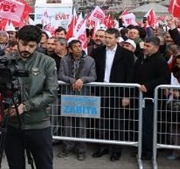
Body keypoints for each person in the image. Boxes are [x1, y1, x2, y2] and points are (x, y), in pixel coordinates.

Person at [0, 25, 58, 169]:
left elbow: (51, 93)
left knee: (44, 165)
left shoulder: (47, 62)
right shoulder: (2, 61)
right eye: (24, 44)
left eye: (32, 46)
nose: (27, 49)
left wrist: (25, 106)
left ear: (38, 44)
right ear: (17, 40)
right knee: (15, 165)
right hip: (11, 125)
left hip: (38, 124)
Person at [91, 27, 135, 162]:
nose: (106, 40)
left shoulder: (126, 54)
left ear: (117, 39)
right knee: (102, 120)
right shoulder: (97, 52)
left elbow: (130, 75)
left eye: (109, 38)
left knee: (117, 122)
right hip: (101, 89)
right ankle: (102, 147)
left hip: (118, 91)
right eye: (105, 37)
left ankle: (116, 150)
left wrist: (127, 95)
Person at [57, 39, 96, 161]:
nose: (78, 48)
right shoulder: (64, 60)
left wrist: (82, 79)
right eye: (75, 46)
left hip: (84, 95)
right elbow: (60, 75)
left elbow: (94, 76)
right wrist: (71, 80)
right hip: (68, 94)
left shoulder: (90, 60)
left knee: (82, 123)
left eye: (80, 46)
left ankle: (81, 149)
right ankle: (68, 147)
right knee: (67, 122)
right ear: (70, 49)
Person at [133, 36, 170, 160]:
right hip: (140, 97)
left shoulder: (160, 61)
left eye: (148, 46)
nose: (145, 48)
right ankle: (142, 148)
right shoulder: (141, 57)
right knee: (141, 125)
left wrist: (148, 86)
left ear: (156, 47)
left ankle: (149, 151)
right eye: (145, 45)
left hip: (151, 98)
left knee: (148, 126)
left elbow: (164, 79)